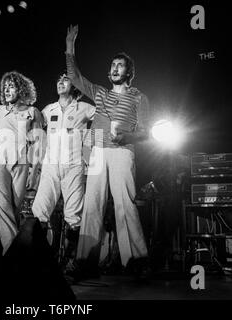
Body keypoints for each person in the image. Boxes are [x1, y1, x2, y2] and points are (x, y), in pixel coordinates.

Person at [65, 25, 151, 279]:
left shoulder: (139, 98)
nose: (114, 68)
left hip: (122, 151)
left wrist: (126, 136)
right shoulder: (100, 93)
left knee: (125, 205)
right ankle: (85, 261)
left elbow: (145, 132)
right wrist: (70, 46)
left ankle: (135, 261)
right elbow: (75, 77)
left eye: (120, 65)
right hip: (98, 152)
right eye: (112, 65)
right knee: (91, 206)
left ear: (129, 72)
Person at [31, 73, 95, 256]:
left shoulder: (84, 108)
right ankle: (39, 259)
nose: (60, 82)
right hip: (50, 167)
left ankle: (69, 260)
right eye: (58, 79)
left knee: (74, 216)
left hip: (74, 166)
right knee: (39, 212)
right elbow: (32, 126)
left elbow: (102, 122)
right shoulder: (48, 110)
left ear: (75, 85)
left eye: (65, 79)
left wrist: (90, 157)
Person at [0, 71, 43, 255]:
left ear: (21, 89)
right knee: (2, 205)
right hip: (0, 162)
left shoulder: (33, 112)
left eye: (11, 86)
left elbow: (39, 145)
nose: (7, 90)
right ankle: (12, 253)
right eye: (5, 87)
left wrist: (35, 170)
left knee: (14, 207)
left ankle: (14, 252)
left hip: (22, 163)